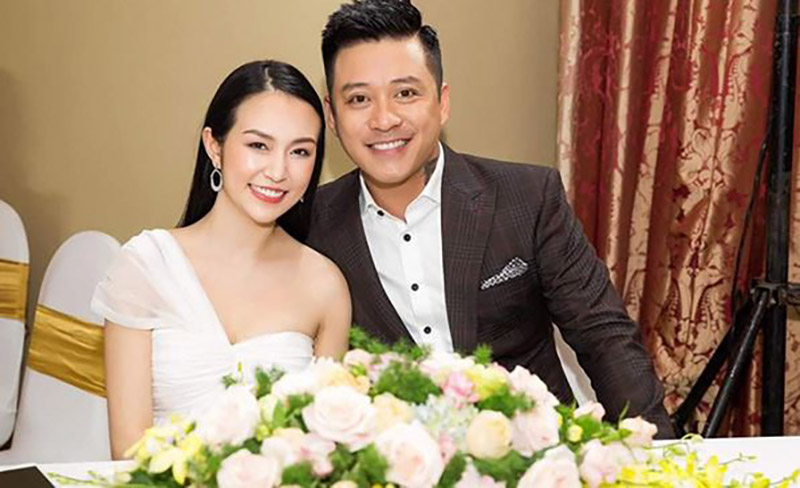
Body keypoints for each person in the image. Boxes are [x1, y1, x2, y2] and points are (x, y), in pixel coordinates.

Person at [307, 0, 675, 437]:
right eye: (359, 99)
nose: (384, 119)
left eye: (406, 93)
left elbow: (604, 336)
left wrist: (659, 455)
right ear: (332, 116)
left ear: (442, 102)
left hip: (537, 454)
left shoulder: (527, 197)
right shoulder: (310, 227)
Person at [92, 60, 351, 458]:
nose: (278, 171)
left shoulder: (325, 285)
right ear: (214, 146)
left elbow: (326, 451)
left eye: (300, 151)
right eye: (258, 145)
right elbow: (128, 450)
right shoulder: (146, 266)